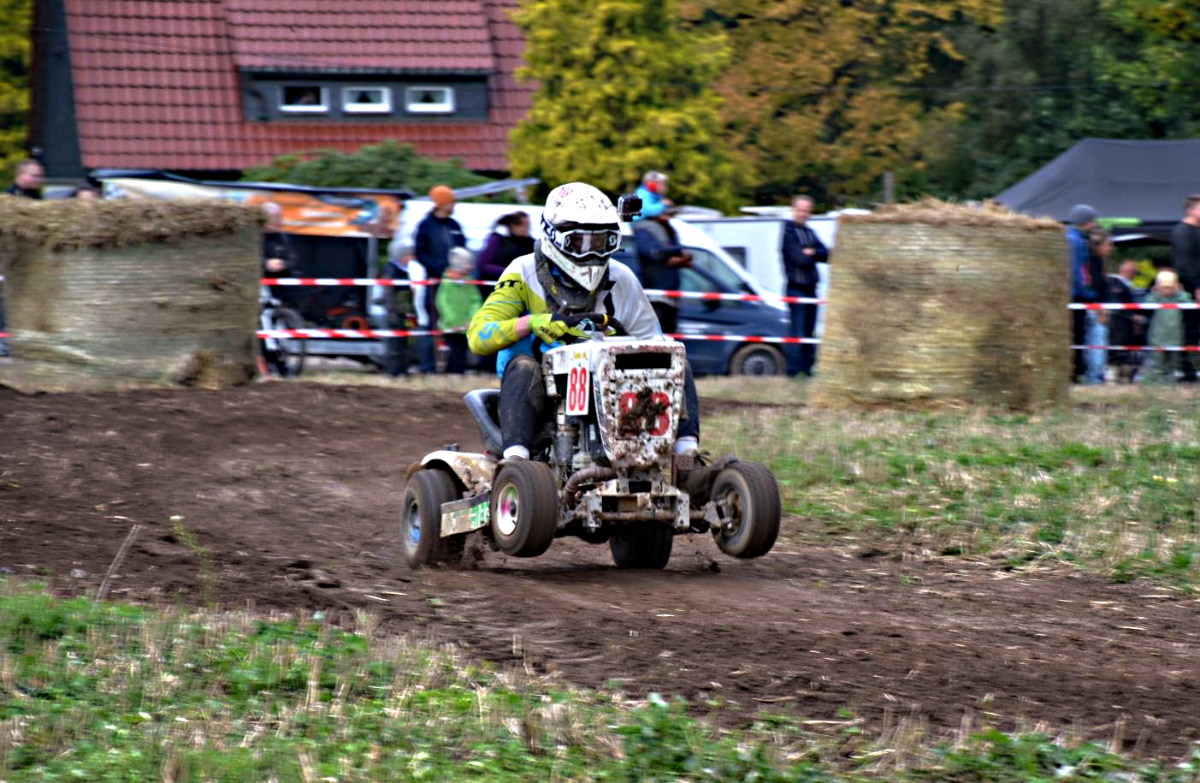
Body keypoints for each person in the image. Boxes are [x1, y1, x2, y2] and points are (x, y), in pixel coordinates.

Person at [466, 182, 719, 497]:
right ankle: (515, 466)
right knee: (523, 366)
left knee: (673, 358)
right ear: (555, 236)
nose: (593, 253)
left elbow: (653, 343)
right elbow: (478, 336)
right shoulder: (523, 272)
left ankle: (686, 460)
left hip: (608, 387)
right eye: (581, 242)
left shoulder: (621, 278)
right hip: (543, 392)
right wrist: (531, 322)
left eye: (602, 242)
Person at [413, 185, 466, 373]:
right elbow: (420, 253)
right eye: (451, 202)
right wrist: (438, 269)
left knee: (457, 324)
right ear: (442, 204)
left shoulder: (454, 225)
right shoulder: (425, 225)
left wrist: (460, 269)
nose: (454, 205)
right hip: (435, 284)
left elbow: (462, 251)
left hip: (456, 285)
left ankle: (456, 368)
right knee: (432, 325)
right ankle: (428, 368)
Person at [780, 195, 828, 377]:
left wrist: (812, 252)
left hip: (811, 289)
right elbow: (799, 259)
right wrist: (811, 254)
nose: (803, 214)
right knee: (798, 332)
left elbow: (826, 254)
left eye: (807, 211)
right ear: (794, 210)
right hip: (796, 288)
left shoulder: (810, 232)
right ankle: (793, 372)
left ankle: (807, 370)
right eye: (800, 210)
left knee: (809, 331)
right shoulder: (788, 233)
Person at [633, 200, 691, 334]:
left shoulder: (669, 230)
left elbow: (682, 255)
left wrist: (677, 257)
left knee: (670, 336)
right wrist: (673, 255)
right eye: (666, 212)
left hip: (670, 294)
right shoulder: (645, 229)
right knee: (656, 336)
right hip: (655, 296)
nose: (669, 216)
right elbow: (655, 253)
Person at [1066, 205, 1107, 384]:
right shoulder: (1075, 241)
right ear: (1085, 221)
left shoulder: (1077, 238)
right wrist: (1086, 293)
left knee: (1079, 334)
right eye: (1092, 221)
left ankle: (1077, 373)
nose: (1094, 224)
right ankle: (1075, 374)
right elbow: (1076, 270)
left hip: (1076, 293)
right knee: (1076, 334)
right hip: (1076, 295)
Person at [436, 247, 483, 374]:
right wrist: (453, 321)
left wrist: (472, 318)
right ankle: (451, 371)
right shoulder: (446, 283)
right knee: (452, 349)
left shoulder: (469, 282)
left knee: (462, 349)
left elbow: (475, 300)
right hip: (450, 325)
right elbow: (442, 303)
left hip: (466, 325)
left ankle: (459, 371)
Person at [1143, 270, 1193, 384]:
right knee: (1156, 364)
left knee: (1173, 365)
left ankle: (1170, 384)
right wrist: (1155, 293)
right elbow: (1146, 305)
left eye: (1169, 288)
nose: (1166, 290)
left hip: (1175, 337)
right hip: (1157, 338)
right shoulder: (1156, 298)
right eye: (1163, 287)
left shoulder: (1179, 298)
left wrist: (1180, 292)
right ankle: (1154, 385)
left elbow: (1190, 304)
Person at [1170, 195, 1200, 381]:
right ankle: (1187, 370)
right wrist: (1196, 286)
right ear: (1191, 210)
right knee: (1190, 328)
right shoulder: (1182, 232)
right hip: (1189, 289)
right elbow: (1184, 264)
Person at [1107, 259, 1147, 382]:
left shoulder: (1125, 285)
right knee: (1117, 351)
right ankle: (1112, 377)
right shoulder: (1115, 284)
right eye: (1134, 272)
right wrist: (1132, 316)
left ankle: (1123, 377)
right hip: (1117, 324)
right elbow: (1116, 305)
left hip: (1125, 325)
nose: (1135, 276)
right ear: (1128, 271)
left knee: (1126, 352)